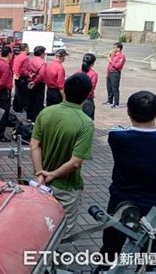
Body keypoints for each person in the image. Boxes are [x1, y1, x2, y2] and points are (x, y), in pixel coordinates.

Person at [97, 91, 156, 272]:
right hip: (155, 207)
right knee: (152, 249)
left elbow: (118, 128)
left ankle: (104, 269)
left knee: (112, 245)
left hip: (121, 204)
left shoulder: (117, 136)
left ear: (128, 111)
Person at [30, 73, 94, 241]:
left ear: (64, 90)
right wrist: (53, 174)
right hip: (66, 187)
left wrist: (39, 173)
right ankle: (56, 264)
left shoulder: (46, 112)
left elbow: (34, 145)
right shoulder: (86, 123)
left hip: (41, 184)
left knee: (40, 226)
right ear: (88, 94)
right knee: (63, 233)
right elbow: (75, 163)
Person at [27, 46, 47, 122]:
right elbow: (41, 75)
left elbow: (27, 70)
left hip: (30, 81)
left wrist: (31, 77)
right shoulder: (43, 63)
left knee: (30, 99)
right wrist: (35, 82)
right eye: (44, 52)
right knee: (38, 101)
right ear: (41, 53)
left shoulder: (30, 61)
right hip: (38, 84)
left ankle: (29, 116)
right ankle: (35, 118)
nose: (45, 54)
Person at [104, 42, 126, 108]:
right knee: (109, 87)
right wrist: (107, 72)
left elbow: (117, 66)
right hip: (110, 72)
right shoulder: (113, 55)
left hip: (115, 73)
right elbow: (110, 65)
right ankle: (109, 100)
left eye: (114, 47)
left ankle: (116, 103)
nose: (113, 49)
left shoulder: (121, 56)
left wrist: (110, 60)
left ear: (119, 48)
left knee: (115, 88)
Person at [78, 53, 98, 120]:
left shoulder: (78, 71)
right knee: (88, 119)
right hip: (87, 100)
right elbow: (91, 88)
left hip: (77, 99)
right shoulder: (93, 74)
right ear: (92, 64)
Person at [12, 43, 30, 113]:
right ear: (25, 49)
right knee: (22, 94)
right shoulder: (25, 58)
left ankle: (15, 107)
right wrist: (29, 74)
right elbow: (24, 70)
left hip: (17, 77)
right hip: (22, 78)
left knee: (17, 93)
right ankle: (19, 109)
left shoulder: (17, 57)